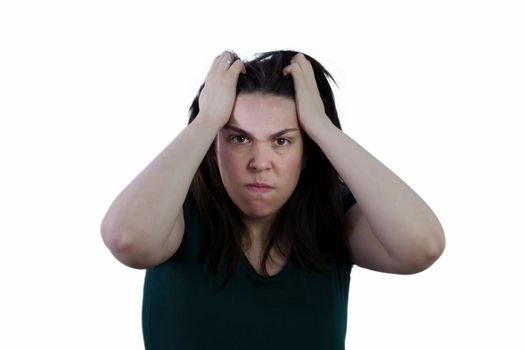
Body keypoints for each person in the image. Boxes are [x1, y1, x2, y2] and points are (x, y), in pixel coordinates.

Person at [100, 49, 446, 350]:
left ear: (307, 149)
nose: (260, 163)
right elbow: (127, 240)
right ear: (214, 145)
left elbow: (422, 246)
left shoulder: (332, 215)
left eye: (281, 141)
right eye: (238, 139)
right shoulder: (175, 211)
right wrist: (207, 119)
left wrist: (321, 126)